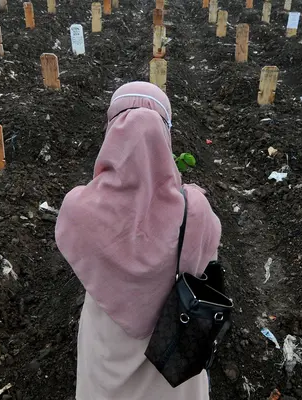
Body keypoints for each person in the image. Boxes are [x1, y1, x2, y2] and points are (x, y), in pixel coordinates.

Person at [55, 82, 222, 400]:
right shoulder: (196, 209)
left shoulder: (79, 209)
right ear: (165, 134)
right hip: (174, 349)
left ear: (111, 130)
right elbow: (206, 259)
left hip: (107, 346)